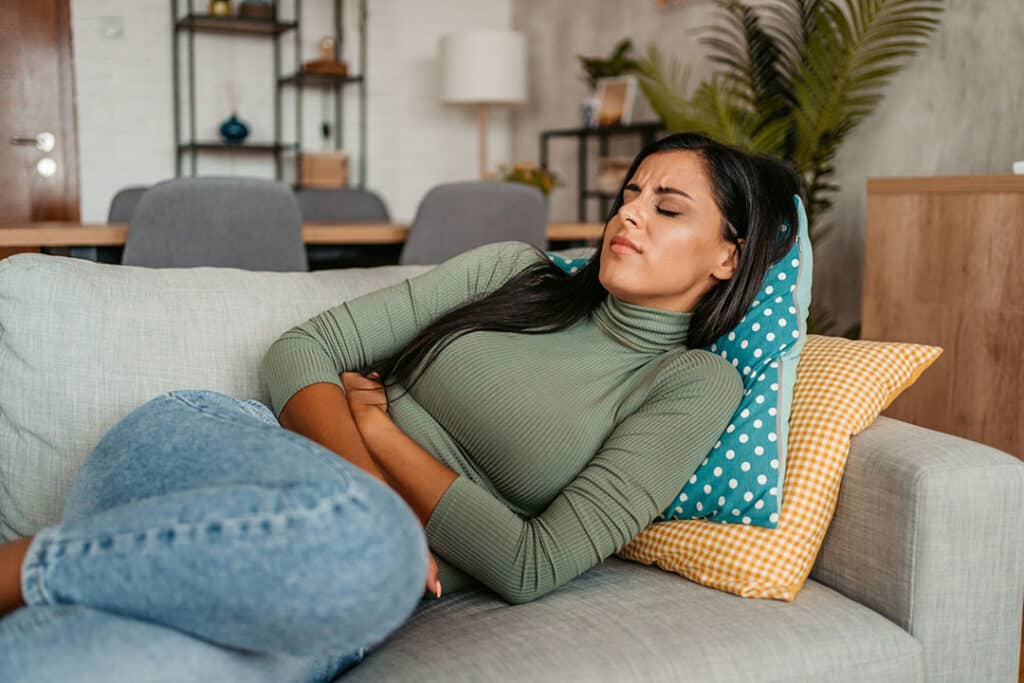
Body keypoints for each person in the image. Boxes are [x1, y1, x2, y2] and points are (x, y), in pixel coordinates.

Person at [0, 132, 802, 681]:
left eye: (668, 207)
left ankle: (48, 574)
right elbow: (298, 351)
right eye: (631, 193)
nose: (629, 212)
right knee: (368, 544)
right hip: (203, 449)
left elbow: (531, 565)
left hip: (351, 586)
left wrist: (379, 423)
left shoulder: (692, 384)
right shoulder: (514, 272)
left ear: (731, 252)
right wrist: (371, 497)